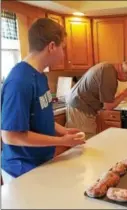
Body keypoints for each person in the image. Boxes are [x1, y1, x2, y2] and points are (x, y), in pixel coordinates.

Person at [1, 18, 85, 184]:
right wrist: (61, 141)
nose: (64, 53)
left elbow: (41, 117)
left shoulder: (40, 76)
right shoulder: (19, 81)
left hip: (40, 163)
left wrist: (64, 132)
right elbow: (10, 136)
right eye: (63, 47)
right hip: (21, 170)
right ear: (52, 46)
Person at [65, 61, 127, 138]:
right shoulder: (109, 75)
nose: (125, 81)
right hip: (80, 108)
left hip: (78, 105)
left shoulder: (107, 67)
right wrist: (123, 95)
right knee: (83, 140)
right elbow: (108, 106)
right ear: (124, 75)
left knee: (84, 139)